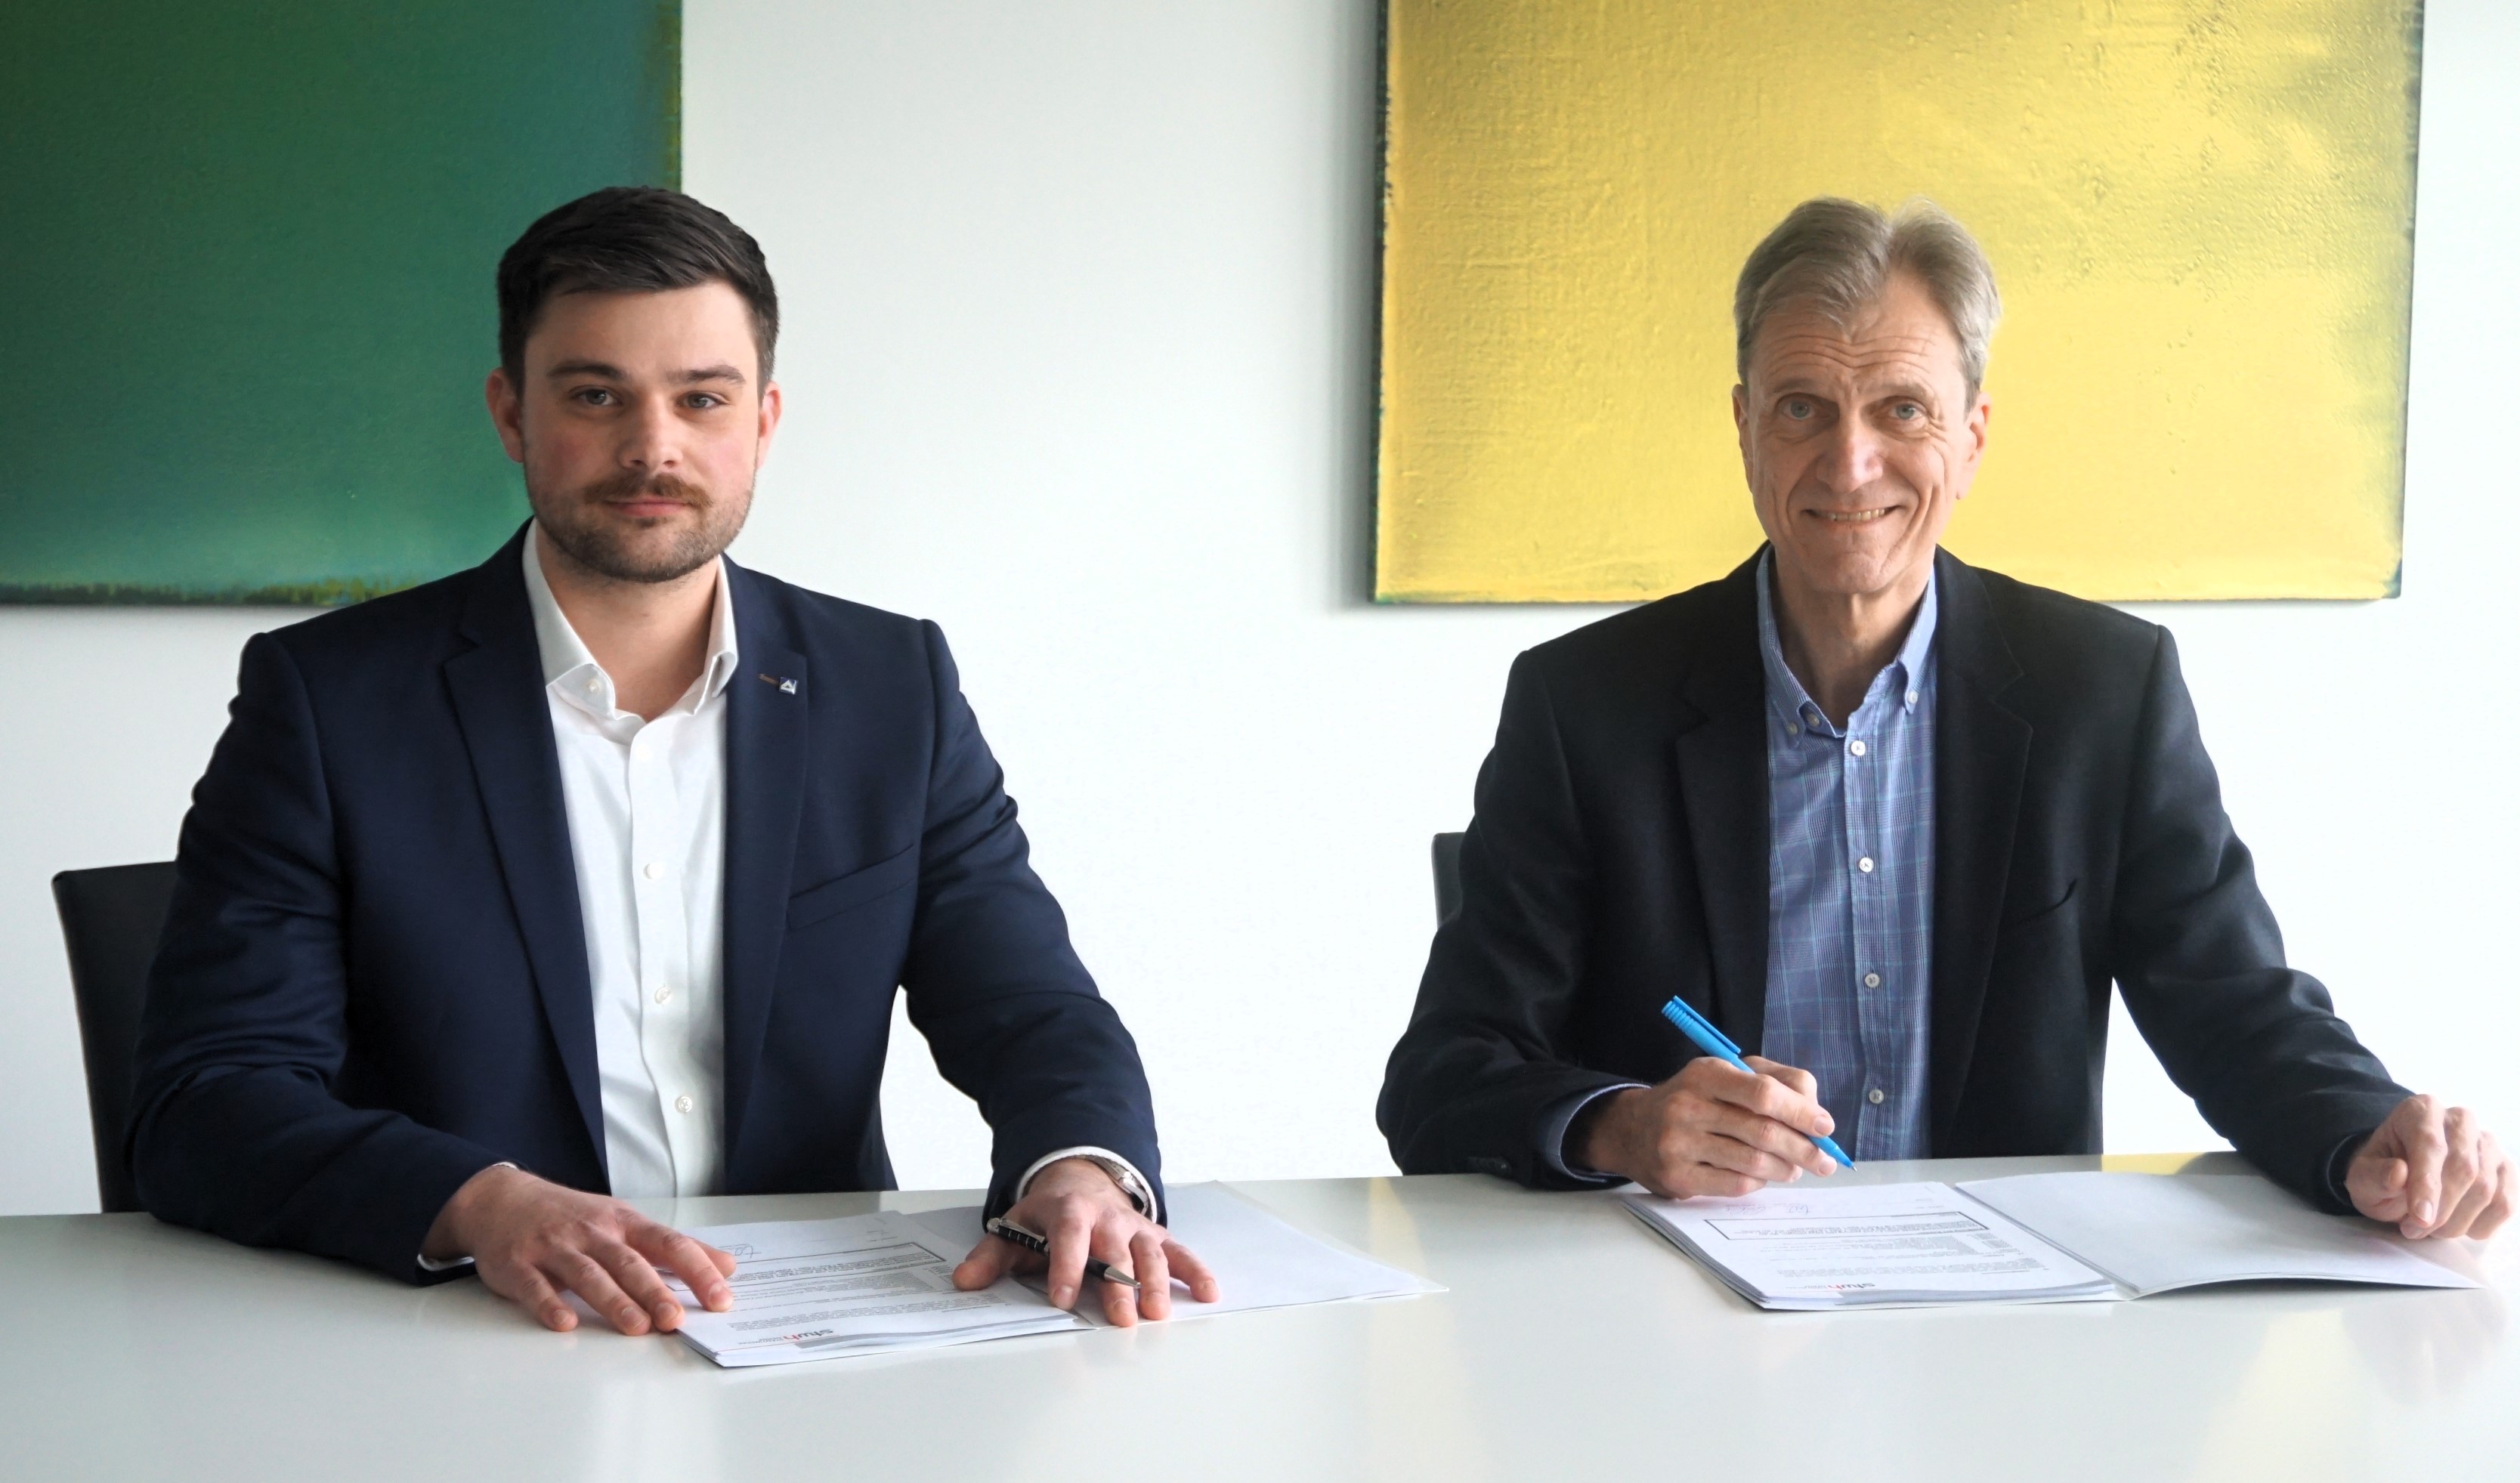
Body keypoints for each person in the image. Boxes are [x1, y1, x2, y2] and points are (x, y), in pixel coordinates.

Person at [130, 186, 1217, 1334]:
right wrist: (480, 1205)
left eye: (702, 398)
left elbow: (1030, 1005)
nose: (653, 448)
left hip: (800, 1334)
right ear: (511, 414)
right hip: (470, 1327)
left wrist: (1079, 1168)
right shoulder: (329, 701)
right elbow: (208, 1099)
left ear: (764, 420)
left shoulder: (891, 687)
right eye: (596, 395)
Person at [1378, 197, 2511, 1242]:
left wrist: (2367, 1135)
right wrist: (1620, 1125)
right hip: (1681, 1305)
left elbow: (2237, 1009)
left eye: (1902, 409)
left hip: (2004, 1309)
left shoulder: (2102, 692)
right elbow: (1441, 1077)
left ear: (1971, 437)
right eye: (1801, 408)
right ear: (1744, 429)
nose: (1849, 462)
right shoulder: (1586, 705)